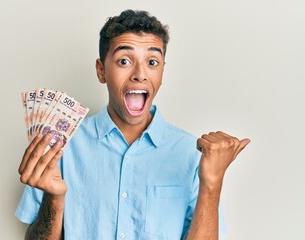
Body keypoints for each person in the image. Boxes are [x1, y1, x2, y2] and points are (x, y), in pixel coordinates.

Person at [15, 9, 250, 240]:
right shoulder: (61, 146)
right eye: (124, 61)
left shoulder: (193, 153)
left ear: (162, 72)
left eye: (152, 61)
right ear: (101, 71)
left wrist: (212, 183)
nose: (140, 74)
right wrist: (53, 200)